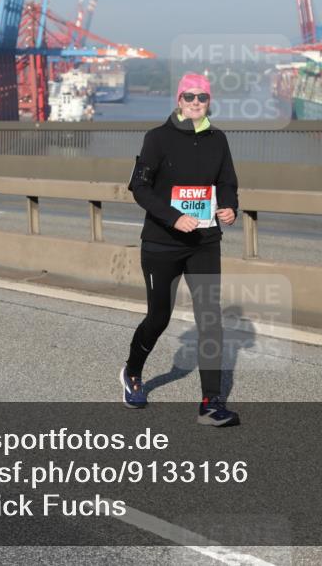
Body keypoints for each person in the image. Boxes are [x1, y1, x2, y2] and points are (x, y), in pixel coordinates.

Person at [122, 72, 240, 427]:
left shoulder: (218, 140)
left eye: (201, 97)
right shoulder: (157, 139)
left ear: (209, 101)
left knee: (209, 319)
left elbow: (227, 182)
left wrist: (230, 207)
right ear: (178, 100)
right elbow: (139, 188)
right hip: (162, 243)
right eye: (188, 97)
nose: (194, 103)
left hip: (204, 241)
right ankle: (132, 373)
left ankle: (211, 402)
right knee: (159, 317)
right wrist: (174, 218)